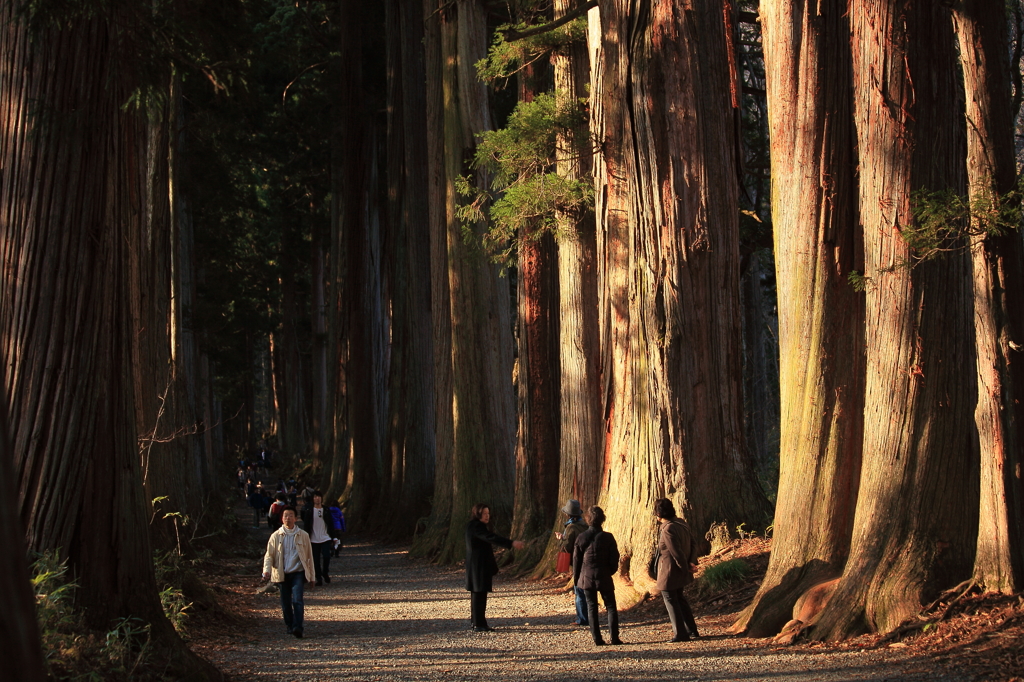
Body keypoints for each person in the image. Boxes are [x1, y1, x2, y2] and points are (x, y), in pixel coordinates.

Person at [465, 503, 525, 632]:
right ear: (478, 514)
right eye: (485, 514)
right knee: (479, 593)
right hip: (478, 566)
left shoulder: (474, 526)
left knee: (478, 593)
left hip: (477, 565)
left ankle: (477, 622)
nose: (487, 516)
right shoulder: (477, 527)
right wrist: (511, 543)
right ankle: (478, 623)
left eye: (488, 513)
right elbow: (491, 538)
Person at [261, 507, 315, 638]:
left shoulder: (303, 535)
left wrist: (312, 577)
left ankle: (298, 627)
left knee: (297, 600)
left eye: (291, 515)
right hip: (282, 572)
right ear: (282, 518)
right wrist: (266, 571)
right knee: (285, 602)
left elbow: (309, 557)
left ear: (296, 519)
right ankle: (290, 625)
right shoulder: (276, 536)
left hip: (298, 572)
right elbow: (269, 555)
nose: (288, 518)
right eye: (285, 515)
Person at [573, 506, 622, 646]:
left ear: (588, 519)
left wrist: (577, 579)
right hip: (604, 574)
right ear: (602, 520)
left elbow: (576, 560)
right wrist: (611, 571)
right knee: (611, 606)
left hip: (587, 576)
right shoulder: (608, 537)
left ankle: (597, 638)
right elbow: (615, 557)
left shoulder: (581, 537)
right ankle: (614, 637)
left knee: (591, 606)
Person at [655, 498, 700, 642]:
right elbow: (693, 543)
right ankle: (691, 629)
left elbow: (676, 552)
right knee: (680, 598)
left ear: (659, 514)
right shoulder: (682, 523)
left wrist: (686, 567)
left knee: (670, 599)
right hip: (681, 569)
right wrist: (692, 562)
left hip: (669, 571)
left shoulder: (668, 529)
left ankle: (680, 633)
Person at [554, 499, 588, 626]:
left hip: (578, 561)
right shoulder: (585, 526)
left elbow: (567, 547)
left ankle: (582, 619)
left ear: (567, 514)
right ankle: (589, 617)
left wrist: (560, 539)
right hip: (588, 560)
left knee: (579, 590)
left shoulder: (571, 528)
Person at [301, 491, 334, 585]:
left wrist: (334, 536)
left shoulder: (326, 510)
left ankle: (325, 572)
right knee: (315, 559)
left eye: (319, 496)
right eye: (315, 497)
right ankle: (318, 577)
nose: (317, 498)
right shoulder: (309, 510)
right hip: (313, 538)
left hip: (325, 537)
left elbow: (330, 524)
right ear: (312, 498)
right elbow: (306, 524)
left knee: (327, 556)